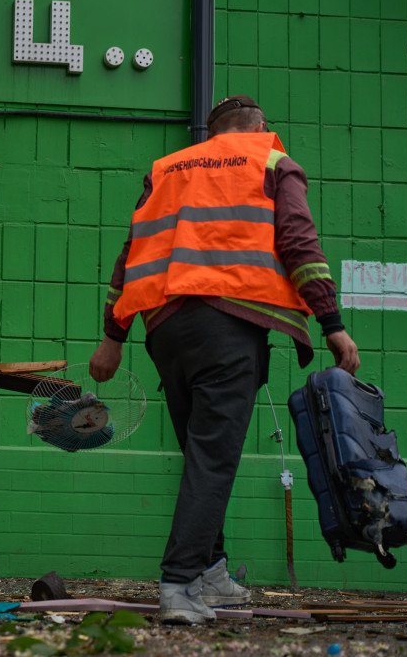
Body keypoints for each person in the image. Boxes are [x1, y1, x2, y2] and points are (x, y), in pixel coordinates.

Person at [89, 95, 359, 625]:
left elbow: (132, 252)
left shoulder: (168, 169)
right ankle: (177, 583)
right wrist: (332, 323)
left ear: (211, 133)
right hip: (229, 326)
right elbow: (300, 243)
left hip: (166, 329)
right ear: (261, 127)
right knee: (214, 458)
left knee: (199, 453)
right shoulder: (272, 161)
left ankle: (210, 571)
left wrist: (112, 336)